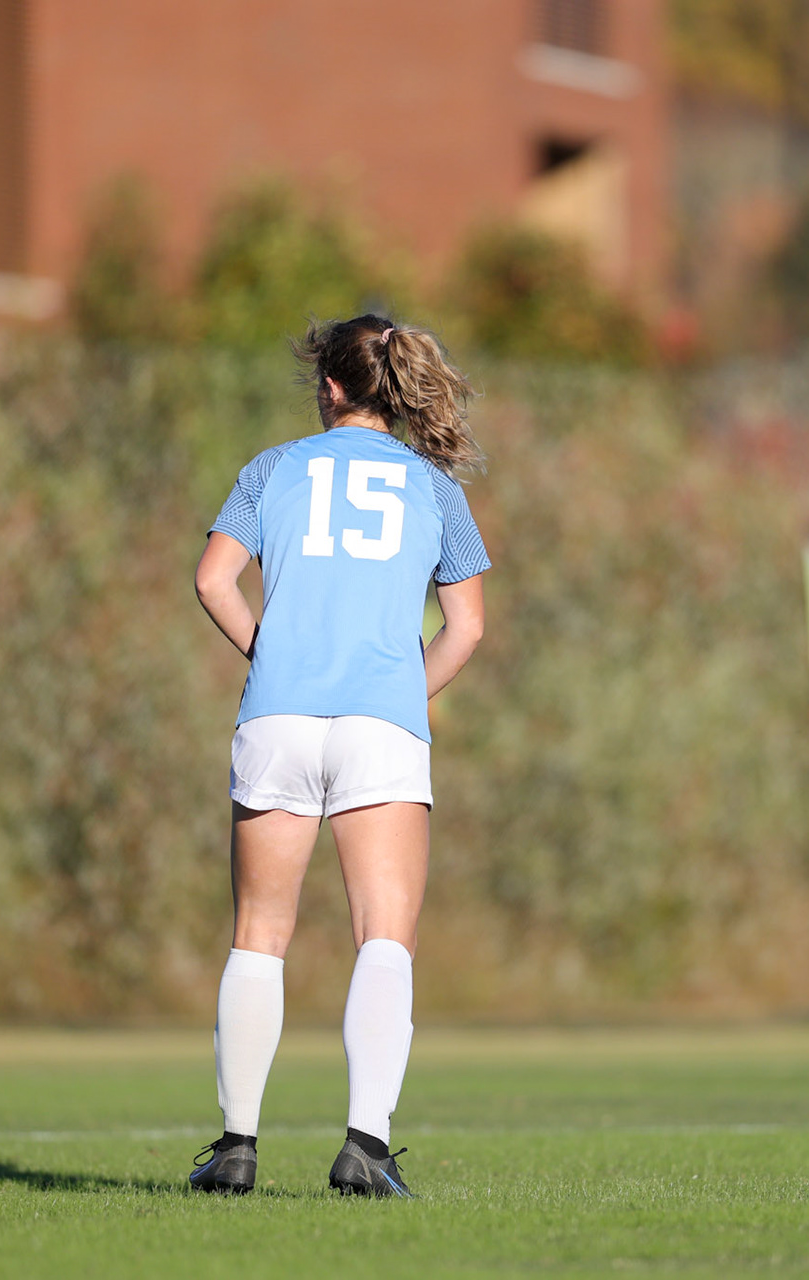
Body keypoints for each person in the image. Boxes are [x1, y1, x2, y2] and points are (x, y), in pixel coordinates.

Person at [188, 314, 489, 1198]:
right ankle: (366, 1145)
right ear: (394, 388)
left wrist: (271, 655)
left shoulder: (270, 469)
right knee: (383, 936)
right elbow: (467, 626)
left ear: (329, 386)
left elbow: (213, 579)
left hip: (277, 716)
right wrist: (398, 690)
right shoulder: (435, 489)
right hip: (380, 725)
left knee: (259, 936)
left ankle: (237, 1147)